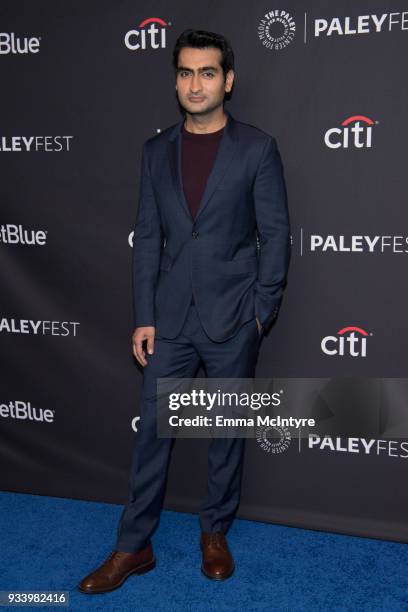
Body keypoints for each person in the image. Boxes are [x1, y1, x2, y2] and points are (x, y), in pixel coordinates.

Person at [78, 28, 291, 594]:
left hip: (233, 317)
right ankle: (133, 545)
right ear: (175, 80)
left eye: (207, 72)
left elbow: (276, 233)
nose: (195, 83)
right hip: (170, 318)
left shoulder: (257, 148)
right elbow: (148, 238)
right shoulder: (155, 152)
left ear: (228, 81)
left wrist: (260, 312)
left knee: (224, 431)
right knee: (152, 432)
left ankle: (214, 530)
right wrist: (143, 314)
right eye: (185, 72)